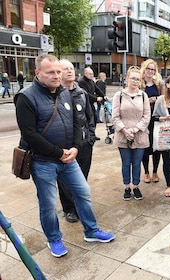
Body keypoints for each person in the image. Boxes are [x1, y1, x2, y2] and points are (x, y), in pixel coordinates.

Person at [15, 54, 115, 258]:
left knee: (83, 192)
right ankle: (54, 238)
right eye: (50, 72)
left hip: (69, 159)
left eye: (58, 71)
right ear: (37, 73)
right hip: (43, 163)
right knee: (49, 204)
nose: (56, 75)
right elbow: (29, 134)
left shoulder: (65, 93)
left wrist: (76, 147)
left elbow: (76, 123)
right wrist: (58, 153)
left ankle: (91, 230)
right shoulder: (26, 97)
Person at [56, 59, 97, 223]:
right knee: (65, 180)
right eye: (65, 69)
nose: (69, 71)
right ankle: (69, 208)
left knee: (82, 177)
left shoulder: (82, 93)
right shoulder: (55, 94)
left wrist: (91, 138)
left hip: (84, 144)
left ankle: (79, 204)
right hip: (65, 145)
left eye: (71, 68)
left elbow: (90, 117)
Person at [112, 66, 151, 201]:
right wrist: (124, 130)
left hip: (139, 134)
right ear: (127, 78)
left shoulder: (143, 95)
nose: (135, 81)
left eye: (138, 79)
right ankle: (127, 186)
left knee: (136, 162)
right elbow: (115, 117)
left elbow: (147, 116)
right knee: (125, 162)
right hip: (123, 135)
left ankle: (136, 185)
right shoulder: (119, 95)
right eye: (133, 78)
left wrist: (135, 130)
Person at [140, 59, 165, 184]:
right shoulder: (140, 84)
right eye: (148, 69)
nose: (150, 71)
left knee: (156, 147)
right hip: (144, 120)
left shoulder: (159, 84)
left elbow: (164, 99)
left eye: (152, 69)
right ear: (144, 70)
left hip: (156, 120)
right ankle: (146, 172)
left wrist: (156, 99)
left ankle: (155, 171)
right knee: (144, 147)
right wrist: (150, 100)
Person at [78, 67, 105, 139]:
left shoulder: (91, 81)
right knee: (88, 119)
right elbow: (86, 94)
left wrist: (103, 96)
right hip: (85, 103)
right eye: (90, 74)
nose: (92, 75)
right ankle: (87, 134)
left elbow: (97, 89)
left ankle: (92, 134)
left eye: (92, 74)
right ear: (85, 73)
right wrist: (96, 98)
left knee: (95, 118)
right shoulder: (82, 82)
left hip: (91, 103)